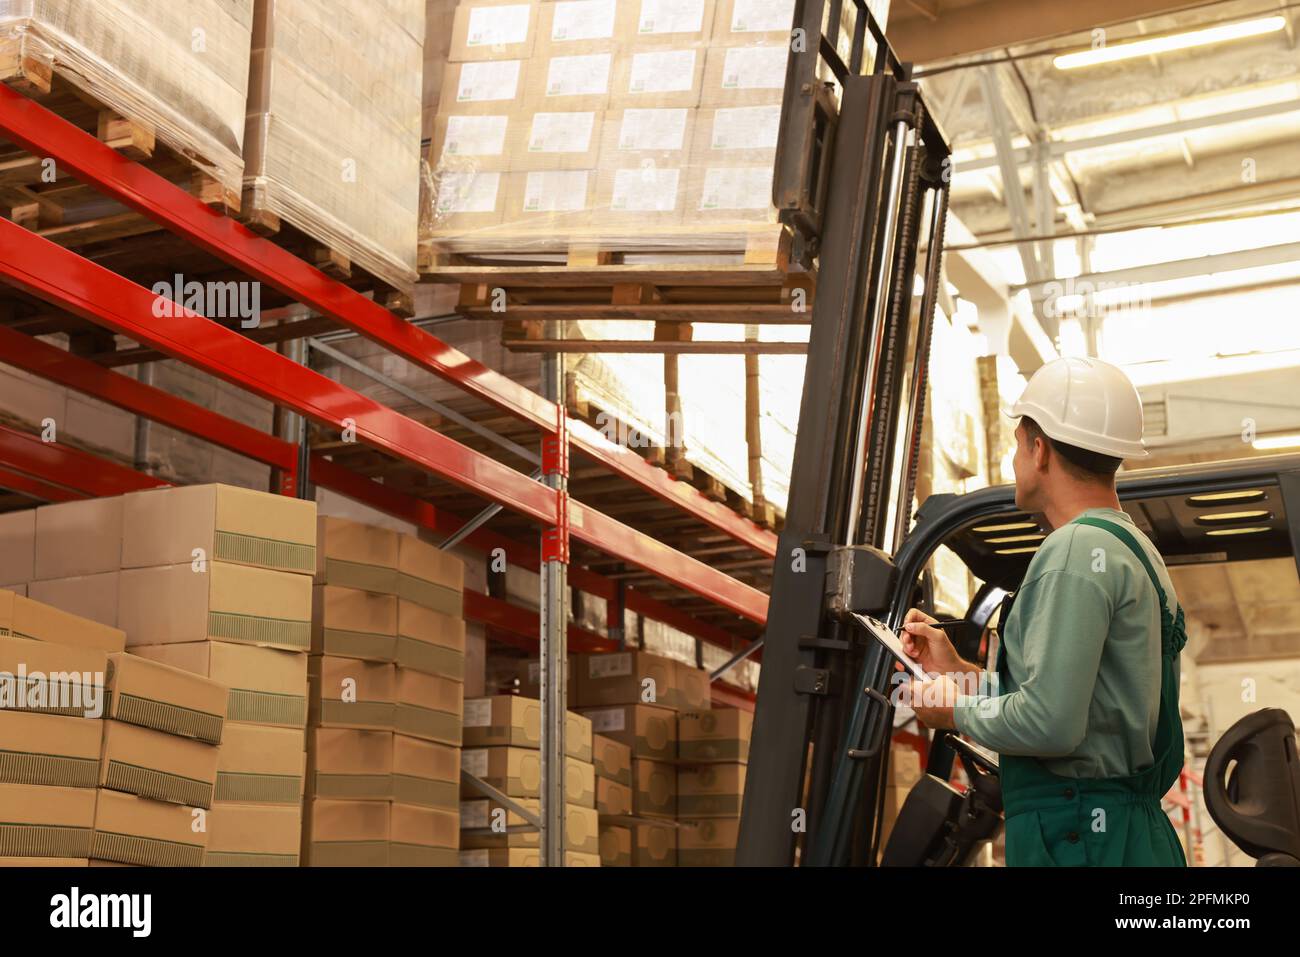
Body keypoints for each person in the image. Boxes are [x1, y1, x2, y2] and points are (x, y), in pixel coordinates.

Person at [899, 355, 1188, 866]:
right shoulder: (1129, 548)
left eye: (1016, 445)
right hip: (1115, 834)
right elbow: (1075, 702)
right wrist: (961, 675)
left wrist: (952, 708)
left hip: (1079, 839)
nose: (1015, 460)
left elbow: (1052, 725)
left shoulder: (1072, 552)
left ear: (1040, 449)